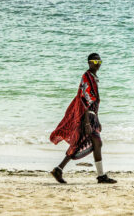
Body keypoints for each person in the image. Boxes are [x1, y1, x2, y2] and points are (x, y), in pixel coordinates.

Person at [49, 53, 117, 184]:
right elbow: (84, 100)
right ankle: (101, 176)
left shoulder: (93, 77)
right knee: (91, 142)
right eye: (95, 62)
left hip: (91, 117)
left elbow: (93, 103)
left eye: (99, 62)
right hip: (86, 118)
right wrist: (86, 122)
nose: (97, 65)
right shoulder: (86, 77)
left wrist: (97, 120)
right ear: (89, 63)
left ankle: (59, 169)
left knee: (86, 143)